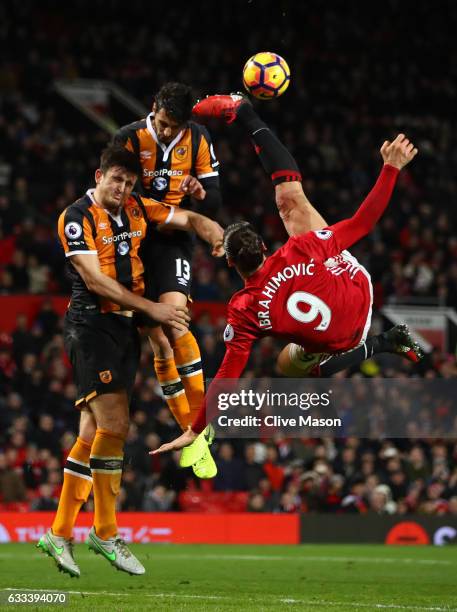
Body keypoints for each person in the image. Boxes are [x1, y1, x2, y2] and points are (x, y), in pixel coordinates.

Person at [151, 96, 420, 455]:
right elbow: (364, 222)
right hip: (357, 289)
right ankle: (245, 114)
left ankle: (381, 343)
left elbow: (228, 377)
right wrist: (390, 168)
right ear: (264, 246)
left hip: (343, 339)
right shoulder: (302, 247)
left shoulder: (244, 309)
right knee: (291, 202)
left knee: (291, 368)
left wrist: (195, 430)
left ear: (229, 264)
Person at [37, 145, 223, 578]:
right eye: (115, 179)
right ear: (98, 175)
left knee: (91, 434)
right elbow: (95, 280)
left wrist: (212, 230)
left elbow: (185, 219)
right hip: (92, 327)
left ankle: (59, 532)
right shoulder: (75, 217)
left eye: (128, 182)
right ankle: (105, 531)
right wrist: (153, 309)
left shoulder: (138, 207)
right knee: (115, 425)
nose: (121, 188)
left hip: (125, 330)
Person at [113, 82, 222, 478]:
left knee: (175, 323)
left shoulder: (197, 138)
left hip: (174, 237)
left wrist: (199, 192)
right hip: (135, 239)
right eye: (162, 124)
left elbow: (214, 195)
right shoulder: (128, 137)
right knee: (157, 340)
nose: (166, 132)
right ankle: (192, 435)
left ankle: (200, 430)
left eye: (173, 127)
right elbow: (116, 191)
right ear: (153, 107)